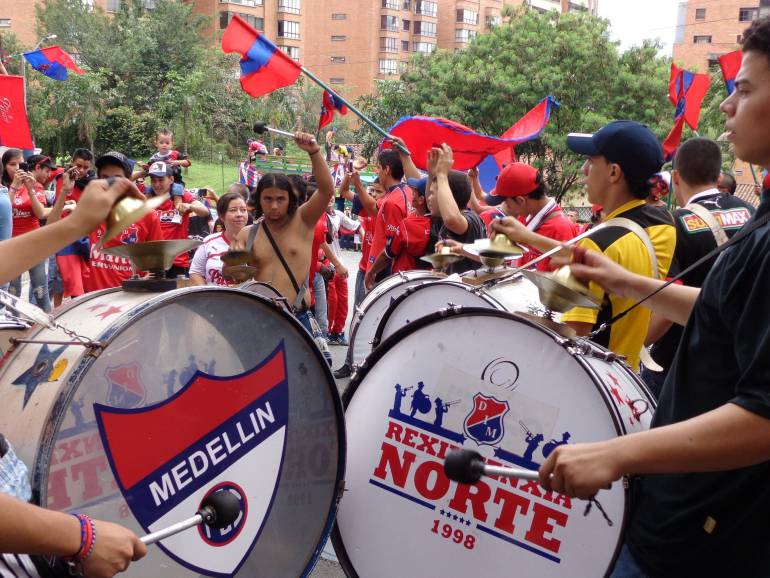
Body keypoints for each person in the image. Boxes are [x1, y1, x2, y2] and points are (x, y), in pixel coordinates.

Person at [539, 18, 770, 577]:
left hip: (703, 538)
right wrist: (623, 282)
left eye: (744, 89)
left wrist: (616, 454)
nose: (725, 107)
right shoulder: (761, 213)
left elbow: (765, 417)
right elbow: (726, 312)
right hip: (677, 515)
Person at [495, 121, 676, 371]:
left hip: (594, 376)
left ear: (613, 173)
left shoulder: (599, 242)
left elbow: (573, 335)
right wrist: (529, 237)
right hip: (628, 374)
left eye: (591, 161)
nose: (583, 169)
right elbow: (605, 255)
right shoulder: (662, 225)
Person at [643, 137, 756, 397]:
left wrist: (634, 346)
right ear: (718, 176)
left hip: (683, 362)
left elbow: (666, 310)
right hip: (744, 357)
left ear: (676, 177)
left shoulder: (675, 223)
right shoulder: (752, 212)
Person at [233, 132, 335, 334]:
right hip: (258, 319)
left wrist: (314, 152)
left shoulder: (304, 221)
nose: (274, 206)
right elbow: (234, 278)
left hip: (297, 319)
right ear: (258, 201)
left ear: (290, 199)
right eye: (268, 199)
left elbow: (326, 190)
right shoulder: (247, 235)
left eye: (280, 199)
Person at [83, 152, 164, 292]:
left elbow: (158, 264)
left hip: (131, 301)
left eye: (117, 178)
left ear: (129, 180)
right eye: (105, 178)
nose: (110, 184)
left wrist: (143, 282)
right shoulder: (88, 212)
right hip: (94, 301)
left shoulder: (148, 215)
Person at [483, 161, 578, 272]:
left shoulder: (561, 229)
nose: (506, 207)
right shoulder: (526, 217)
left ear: (520, 200)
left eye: (507, 203)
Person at [144, 161, 209, 278]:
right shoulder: (146, 200)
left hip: (177, 262)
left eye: (161, 180)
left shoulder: (182, 196)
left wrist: (190, 206)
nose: (157, 184)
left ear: (171, 179)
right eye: (153, 180)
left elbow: (204, 211)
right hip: (152, 263)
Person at [47, 149, 96, 305]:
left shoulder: (93, 184)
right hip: (64, 238)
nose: (81, 170)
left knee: (88, 283)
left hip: (86, 238)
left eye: (85, 167)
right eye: (78, 165)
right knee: (68, 284)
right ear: (72, 162)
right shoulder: (63, 180)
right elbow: (55, 209)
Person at [6, 153, 53, 312]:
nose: (18, 168)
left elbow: (40, 214)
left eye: (20, 164)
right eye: (12, 164)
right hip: (11, 244)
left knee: (40, 290)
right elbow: (5, 210)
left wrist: (30, 189)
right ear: (4, 166)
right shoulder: (3, 187)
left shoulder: (34, 185)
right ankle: (14, 329)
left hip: (34, 242)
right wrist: (14, 186)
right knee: (12, 292)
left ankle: (48, 328)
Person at [364, 148, 414, 287]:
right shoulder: (408, 191)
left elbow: (391, 247)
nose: (377, 172)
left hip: (386, 272)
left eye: (379, 167)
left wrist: (373, 271)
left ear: (387, 169)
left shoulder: (392, 202)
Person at [190, 192, 248, 286]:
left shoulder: (257, 241)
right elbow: (195, 273)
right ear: (221, 216)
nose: (239, 214)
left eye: (243, 210)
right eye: (233, 210)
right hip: (214, 299)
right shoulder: (208, 241)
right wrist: (206, 297)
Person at [324, 197, 360, 345]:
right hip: (327, 266)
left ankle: (338, 332)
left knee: (343, 300)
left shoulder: (337, 215)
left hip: (340, 264)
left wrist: (362, 224)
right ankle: (327, 331)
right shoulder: (317, 216)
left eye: (332, 193)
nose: (330, 197)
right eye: (327, 193)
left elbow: (353, 225)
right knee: (332, 301)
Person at [139, 128, 190, 211]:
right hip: (159, 182)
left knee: (177, 190)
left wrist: (178, 162)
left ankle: (178, 208)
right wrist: (145, 167)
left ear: (172, 144)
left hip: (175, 182)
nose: (164, 145)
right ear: (156, 143)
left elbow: (188, 162)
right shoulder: (154, 158)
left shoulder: (175, 154)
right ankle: (146, 209)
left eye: (167, 143)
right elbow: (149, 169)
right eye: (161, 142)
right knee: (148, 189)